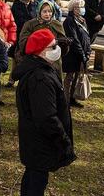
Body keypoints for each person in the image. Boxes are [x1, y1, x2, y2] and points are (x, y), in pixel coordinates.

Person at [13, 29, 76, 195]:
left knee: (34, 176)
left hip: (36, 140)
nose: (56, 49)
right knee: (36, 181)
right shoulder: (40, 78)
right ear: (40, 52)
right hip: (40, 141)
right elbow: (46, 116)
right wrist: (62, 140)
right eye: (52, 46)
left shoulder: (40, 68)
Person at [9, 1, 69, 87]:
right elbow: (23, 43)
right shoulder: (30, 24)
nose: (47, 14)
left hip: (54, 62)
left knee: (55, 86)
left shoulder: (57, 24)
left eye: (50, 11)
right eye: (44, 11)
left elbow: (63, 49)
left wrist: (63, 44)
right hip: (35, 61)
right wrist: (40, 44)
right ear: (39, 11)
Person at [62, 0, 91, 108]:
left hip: (82, 53)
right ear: (73, 9)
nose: (81, 9)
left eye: (82, 7)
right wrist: (82, 53)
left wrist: (87, 52)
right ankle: (65, 100)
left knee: (77, 76)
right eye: (79, 7)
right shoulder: (69, 21)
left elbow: (86, 37)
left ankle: (72, 98)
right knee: (70, 77)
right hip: (72, 54)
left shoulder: (82, 20)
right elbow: (74, 39)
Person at [10, 0, 37, 70]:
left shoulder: (33, 5)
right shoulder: (16, 4)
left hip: (30, 35)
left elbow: (34, 18)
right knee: (16, 56)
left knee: (27, 57)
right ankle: (12, 79)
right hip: (18, 33)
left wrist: (31, 4)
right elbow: (15, 18)